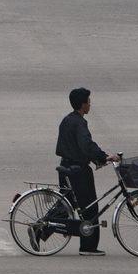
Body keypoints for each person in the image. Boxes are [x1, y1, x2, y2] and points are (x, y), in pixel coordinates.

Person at [47, 87, 118, 254]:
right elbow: (86, 146)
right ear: (82, 104)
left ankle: (41, 229)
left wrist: (97, 158)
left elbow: (75, 146)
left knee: (68, 204)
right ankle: (88, 246)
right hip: (78, 171)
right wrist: (104, 157)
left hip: (65, 167)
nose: (90, 105)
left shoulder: (67, 120)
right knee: (90, 208)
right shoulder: (79, 122)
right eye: (88, 102)